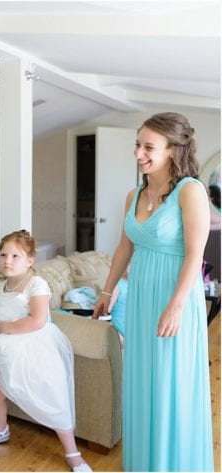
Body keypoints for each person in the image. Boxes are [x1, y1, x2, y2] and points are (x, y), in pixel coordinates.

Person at [92, 112, 213, 471]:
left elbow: (196, 255)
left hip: (175, 297)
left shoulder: (190, 192)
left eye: (148, 147)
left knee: (169, 385)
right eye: (137, 144)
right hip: (143, 297)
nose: (138, 153)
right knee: (144, 382)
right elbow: (124, 248)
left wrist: (176, 307)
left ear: (173, 150)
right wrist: (107, 290)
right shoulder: (134, 194)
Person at [0, 230, 90, 472]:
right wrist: (3, 333)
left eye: (15, 256)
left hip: (36, 346)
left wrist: (6, 327)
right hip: (7, 347)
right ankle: (0, 430)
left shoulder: (36, 284)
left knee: (53, 398)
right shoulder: (0, 287)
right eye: (3, 255)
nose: (7, 261)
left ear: (30, 260)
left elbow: (38, 320)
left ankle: (72, 452)